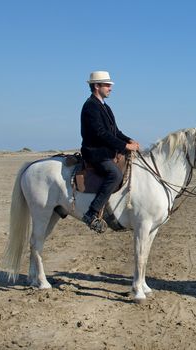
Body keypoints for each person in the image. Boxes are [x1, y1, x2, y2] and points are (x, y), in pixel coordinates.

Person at [80, 71, 140, 232]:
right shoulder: (90, 106)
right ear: (96, 86)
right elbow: (101, 133)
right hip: (95, 152)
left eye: (109, 85)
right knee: (115, 174)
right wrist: (125, 147)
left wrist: (128, 140)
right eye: (107, 85)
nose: (110, 88)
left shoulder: (105, 107)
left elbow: (115, 132)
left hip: (107, 151)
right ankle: (91, 213)